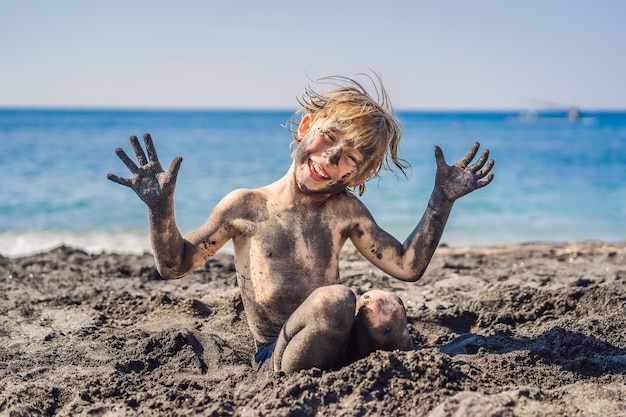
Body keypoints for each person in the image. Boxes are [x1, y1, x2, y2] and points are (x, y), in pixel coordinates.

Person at [107, 74, 495, 373]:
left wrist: (440, 200)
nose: (329, 158)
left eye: (349, 159)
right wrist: (160, 209)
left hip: (341, 348)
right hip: (277, 355)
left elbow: (408, 266)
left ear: (357, 177)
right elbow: (174, 265)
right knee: (337, 298)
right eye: (328, 138)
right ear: (305, 126)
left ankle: (407, 375)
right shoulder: (246, 206)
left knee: (384, 306)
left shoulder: (345, 211)